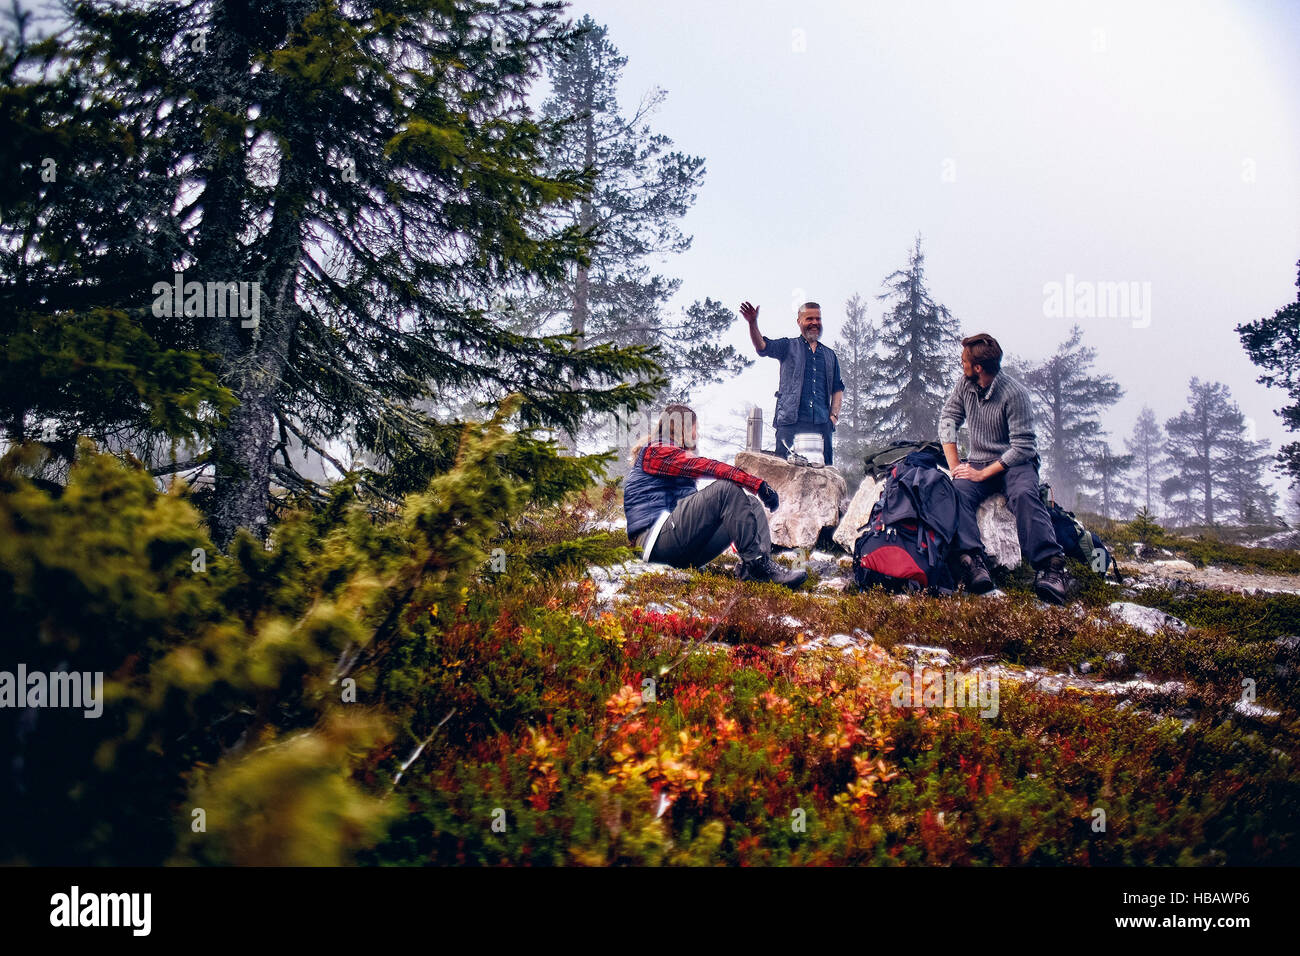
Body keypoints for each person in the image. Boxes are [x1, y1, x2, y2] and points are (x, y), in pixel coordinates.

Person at [938, 333, 1071, 604]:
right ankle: (972, 561)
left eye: (964, 361)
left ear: (978, 367)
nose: (961, 364)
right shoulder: (965, 385)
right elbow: (948, 420)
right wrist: (955, 467)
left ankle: (1051, 567)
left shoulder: (1015, 394)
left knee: (1024, 495)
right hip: (979, 460)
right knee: (957, 491)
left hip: (1016, 463)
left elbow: (1023, 446)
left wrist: (982, 474)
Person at [623, 404, 807, 588]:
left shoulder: (670, 458)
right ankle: (757, 564)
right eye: (695, 429)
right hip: (655, 543)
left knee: (749, 503)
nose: (696, 435)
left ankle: (759, 567)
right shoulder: (657, 451)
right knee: (725, 489)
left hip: (679, 547)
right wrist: (756, 484)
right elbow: (707, 467)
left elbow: (692, 512)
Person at [741, 300, 845, 465]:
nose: (814, 322)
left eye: (817, 319)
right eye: (809, 319)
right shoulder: (788, 346)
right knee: (783, 473)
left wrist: (833, 418)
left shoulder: (829, 355)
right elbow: (762, 346)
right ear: (799, 321)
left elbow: (837, 388)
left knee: (824, 475)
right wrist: (752, 323)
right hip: (790, 425)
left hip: (821, 427)